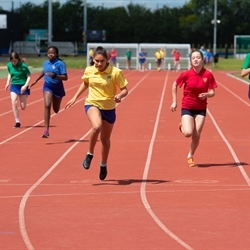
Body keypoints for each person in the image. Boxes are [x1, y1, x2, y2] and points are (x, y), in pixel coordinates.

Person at [65, 46, 128, 181]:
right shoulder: (89, 70)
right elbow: (85, 83)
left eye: (101, 61)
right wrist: (75, 97)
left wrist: (120, 96)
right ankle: (89, 154)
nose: (98, 64)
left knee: (105, 140)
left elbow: (125, 90)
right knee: (96, 126)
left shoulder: (116, 72)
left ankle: (103, 164)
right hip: (92, 103)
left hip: (109, 108)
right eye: (96, 61)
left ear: (107, 60)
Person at [170, 50, 217, 167]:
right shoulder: (186, 74)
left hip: (201, 108)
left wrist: (207, 95)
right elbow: (175, 84)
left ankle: (190, 155)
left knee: (196, 135)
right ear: (191, 61)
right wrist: (174, 102)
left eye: (198, 57)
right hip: (187, 106)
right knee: (188, 133)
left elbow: (212, 92)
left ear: (202, 59)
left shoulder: (208, 75)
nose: (195, 59)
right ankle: (183, 126)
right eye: (193, 58)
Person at [30, 46, 68, 138]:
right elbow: (44, 71)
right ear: (47, 54)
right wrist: (36, 80)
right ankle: (46, 130)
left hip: (58, 88)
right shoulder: (45, 63)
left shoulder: (60, 64)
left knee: (56, 110)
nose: (51, 54)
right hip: (48, 86)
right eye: (49, 53)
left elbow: (65, 77)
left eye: (53, 53)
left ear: (57, 54)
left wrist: (55, 76)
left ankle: (58, 100)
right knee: (47, 105)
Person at [5, 52, 31, 128]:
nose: (14, 62)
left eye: (15, 61)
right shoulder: (9, 65)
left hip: (23, 85)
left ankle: (25, 95)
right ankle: (17, 121)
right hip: (14, 85)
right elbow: (10, 73)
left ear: (18, 59)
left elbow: (29, 76)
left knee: (23, 107)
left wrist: (25, 85)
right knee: (13, 102)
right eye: (12, 61)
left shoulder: (23, 66)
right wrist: (7, 82)